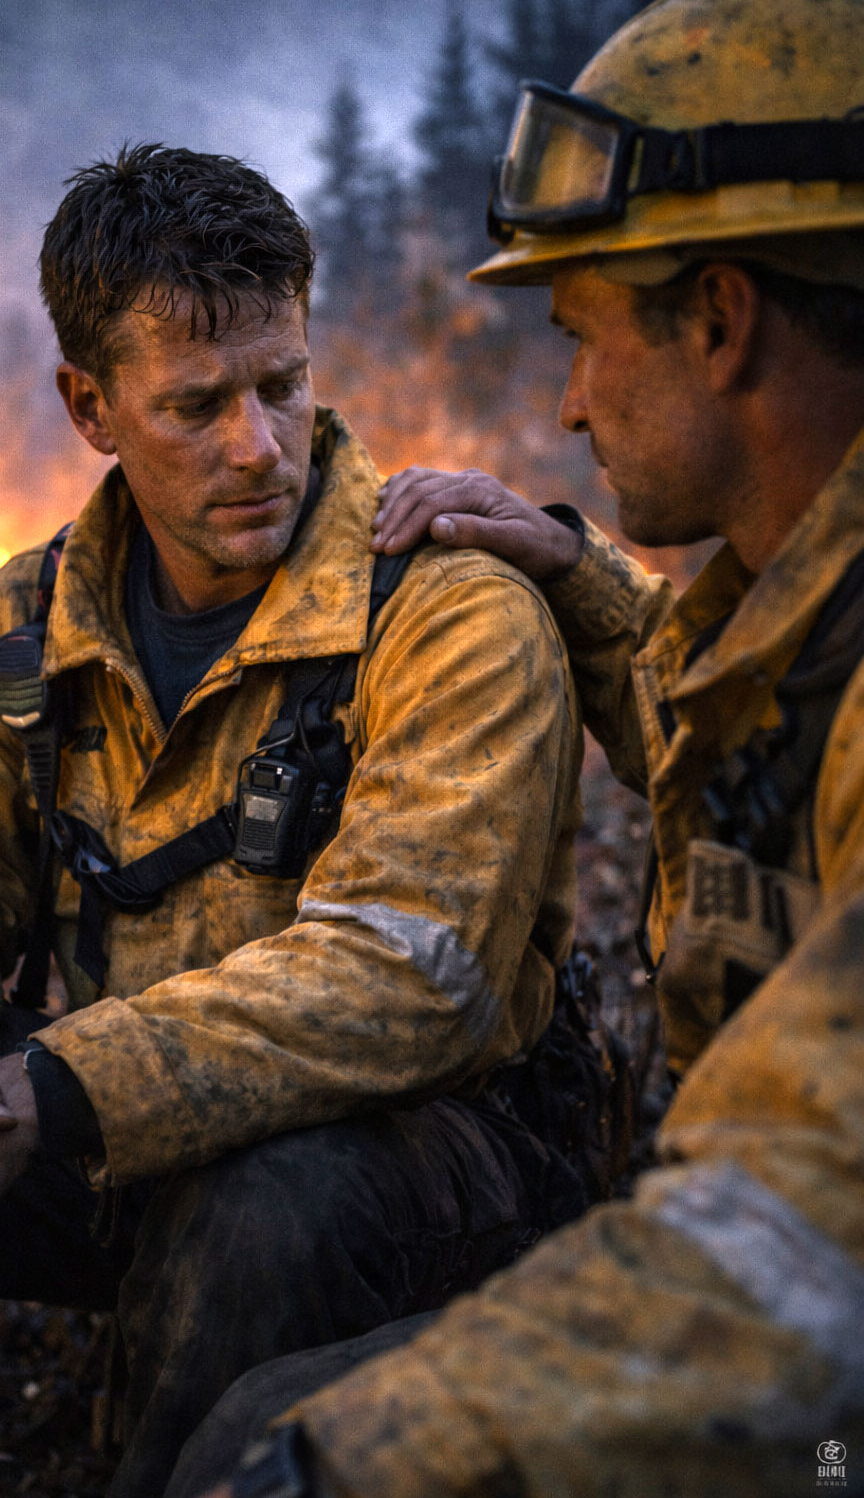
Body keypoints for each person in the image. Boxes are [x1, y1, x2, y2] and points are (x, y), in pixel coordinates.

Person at [177, 0, 864, 1495]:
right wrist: (589, 580)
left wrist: (353, 1470)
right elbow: (751, 745)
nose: (564, 407)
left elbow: (803, 1237)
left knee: (273, 1436)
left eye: (582, 335)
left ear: (723, 320)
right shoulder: (803, 613)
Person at [0, 143, 597, 1498]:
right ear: (90, 408)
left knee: (268, 1206)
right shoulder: (29, 624)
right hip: (133, 1124)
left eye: (282, 383)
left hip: (427, 1162)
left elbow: (411, 983)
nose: (256, 447)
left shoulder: (449, 612)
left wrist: (62, 1086)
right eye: (195, 404)